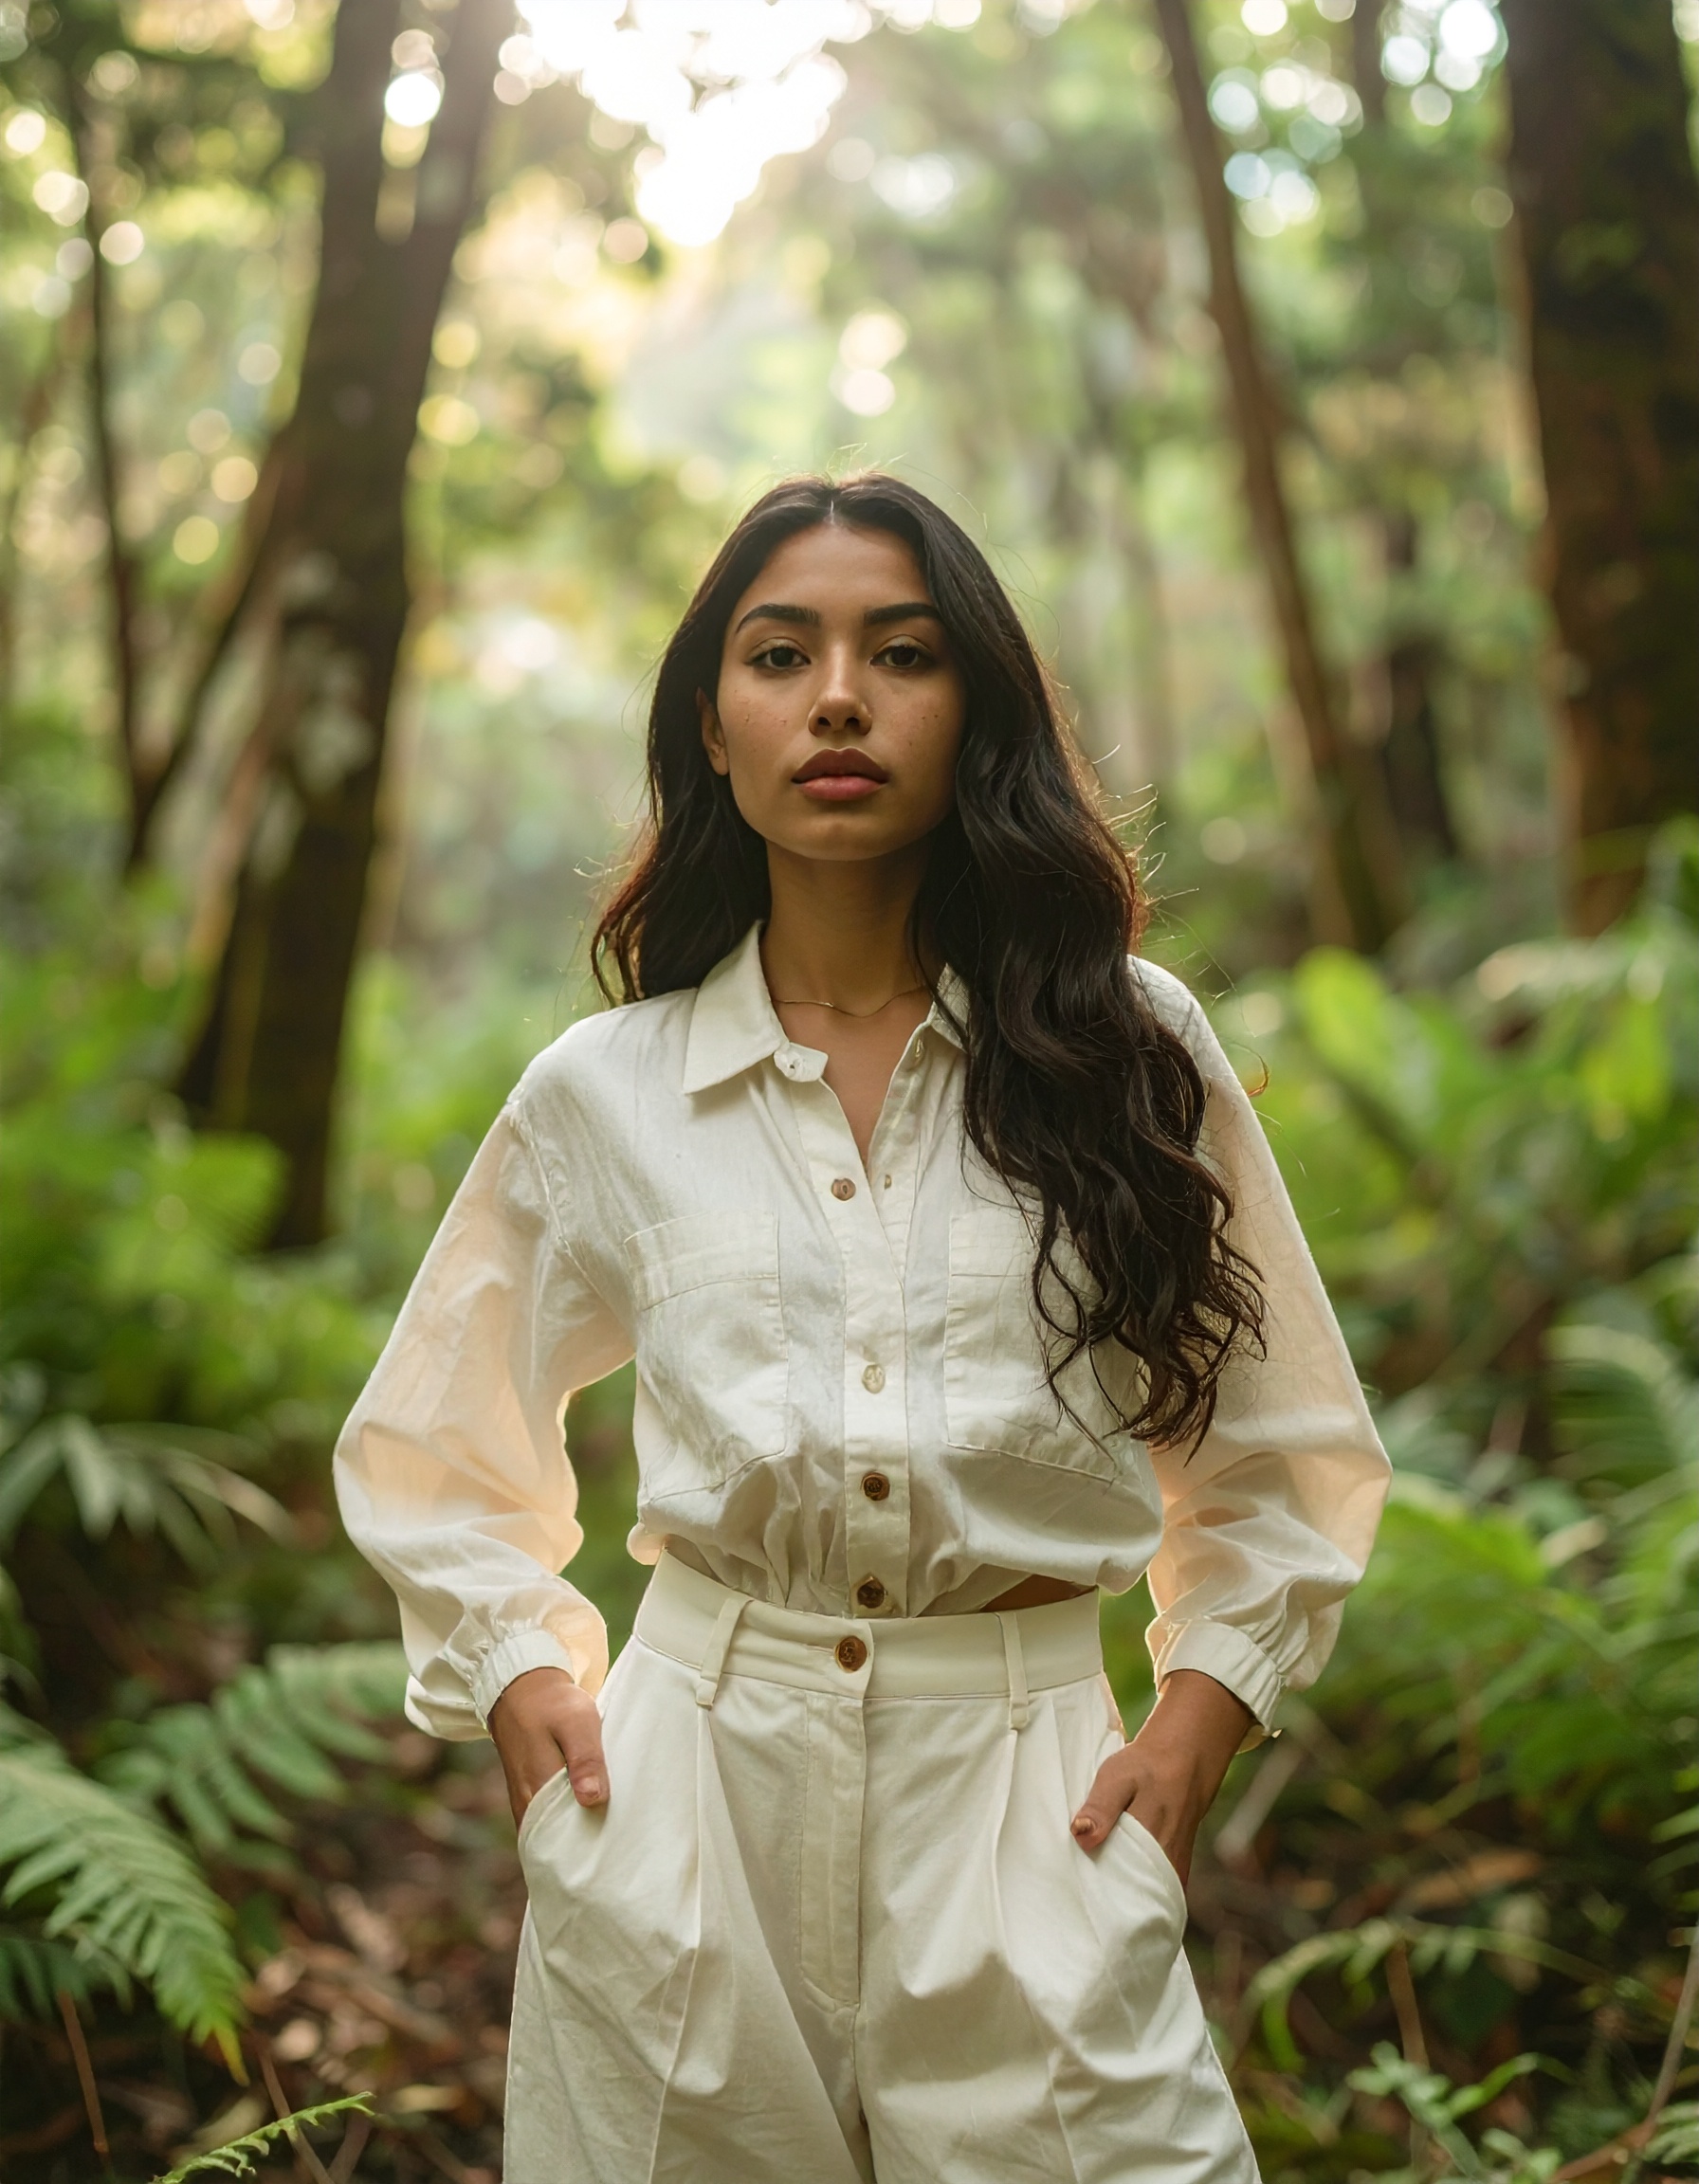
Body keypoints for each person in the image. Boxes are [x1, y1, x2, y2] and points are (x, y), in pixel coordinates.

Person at [335, 474, 1390, 2184]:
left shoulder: (1129, 1051)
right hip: (684, 1812)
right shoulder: (605, 1094)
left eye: (900, 652)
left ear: (974, 705)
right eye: (780, 654)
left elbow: (1284, 1448)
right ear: (715, 721)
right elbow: (432, 1444)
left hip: (1037, 1796)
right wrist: (521, 1672)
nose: (839, 696)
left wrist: (1198, 1722)